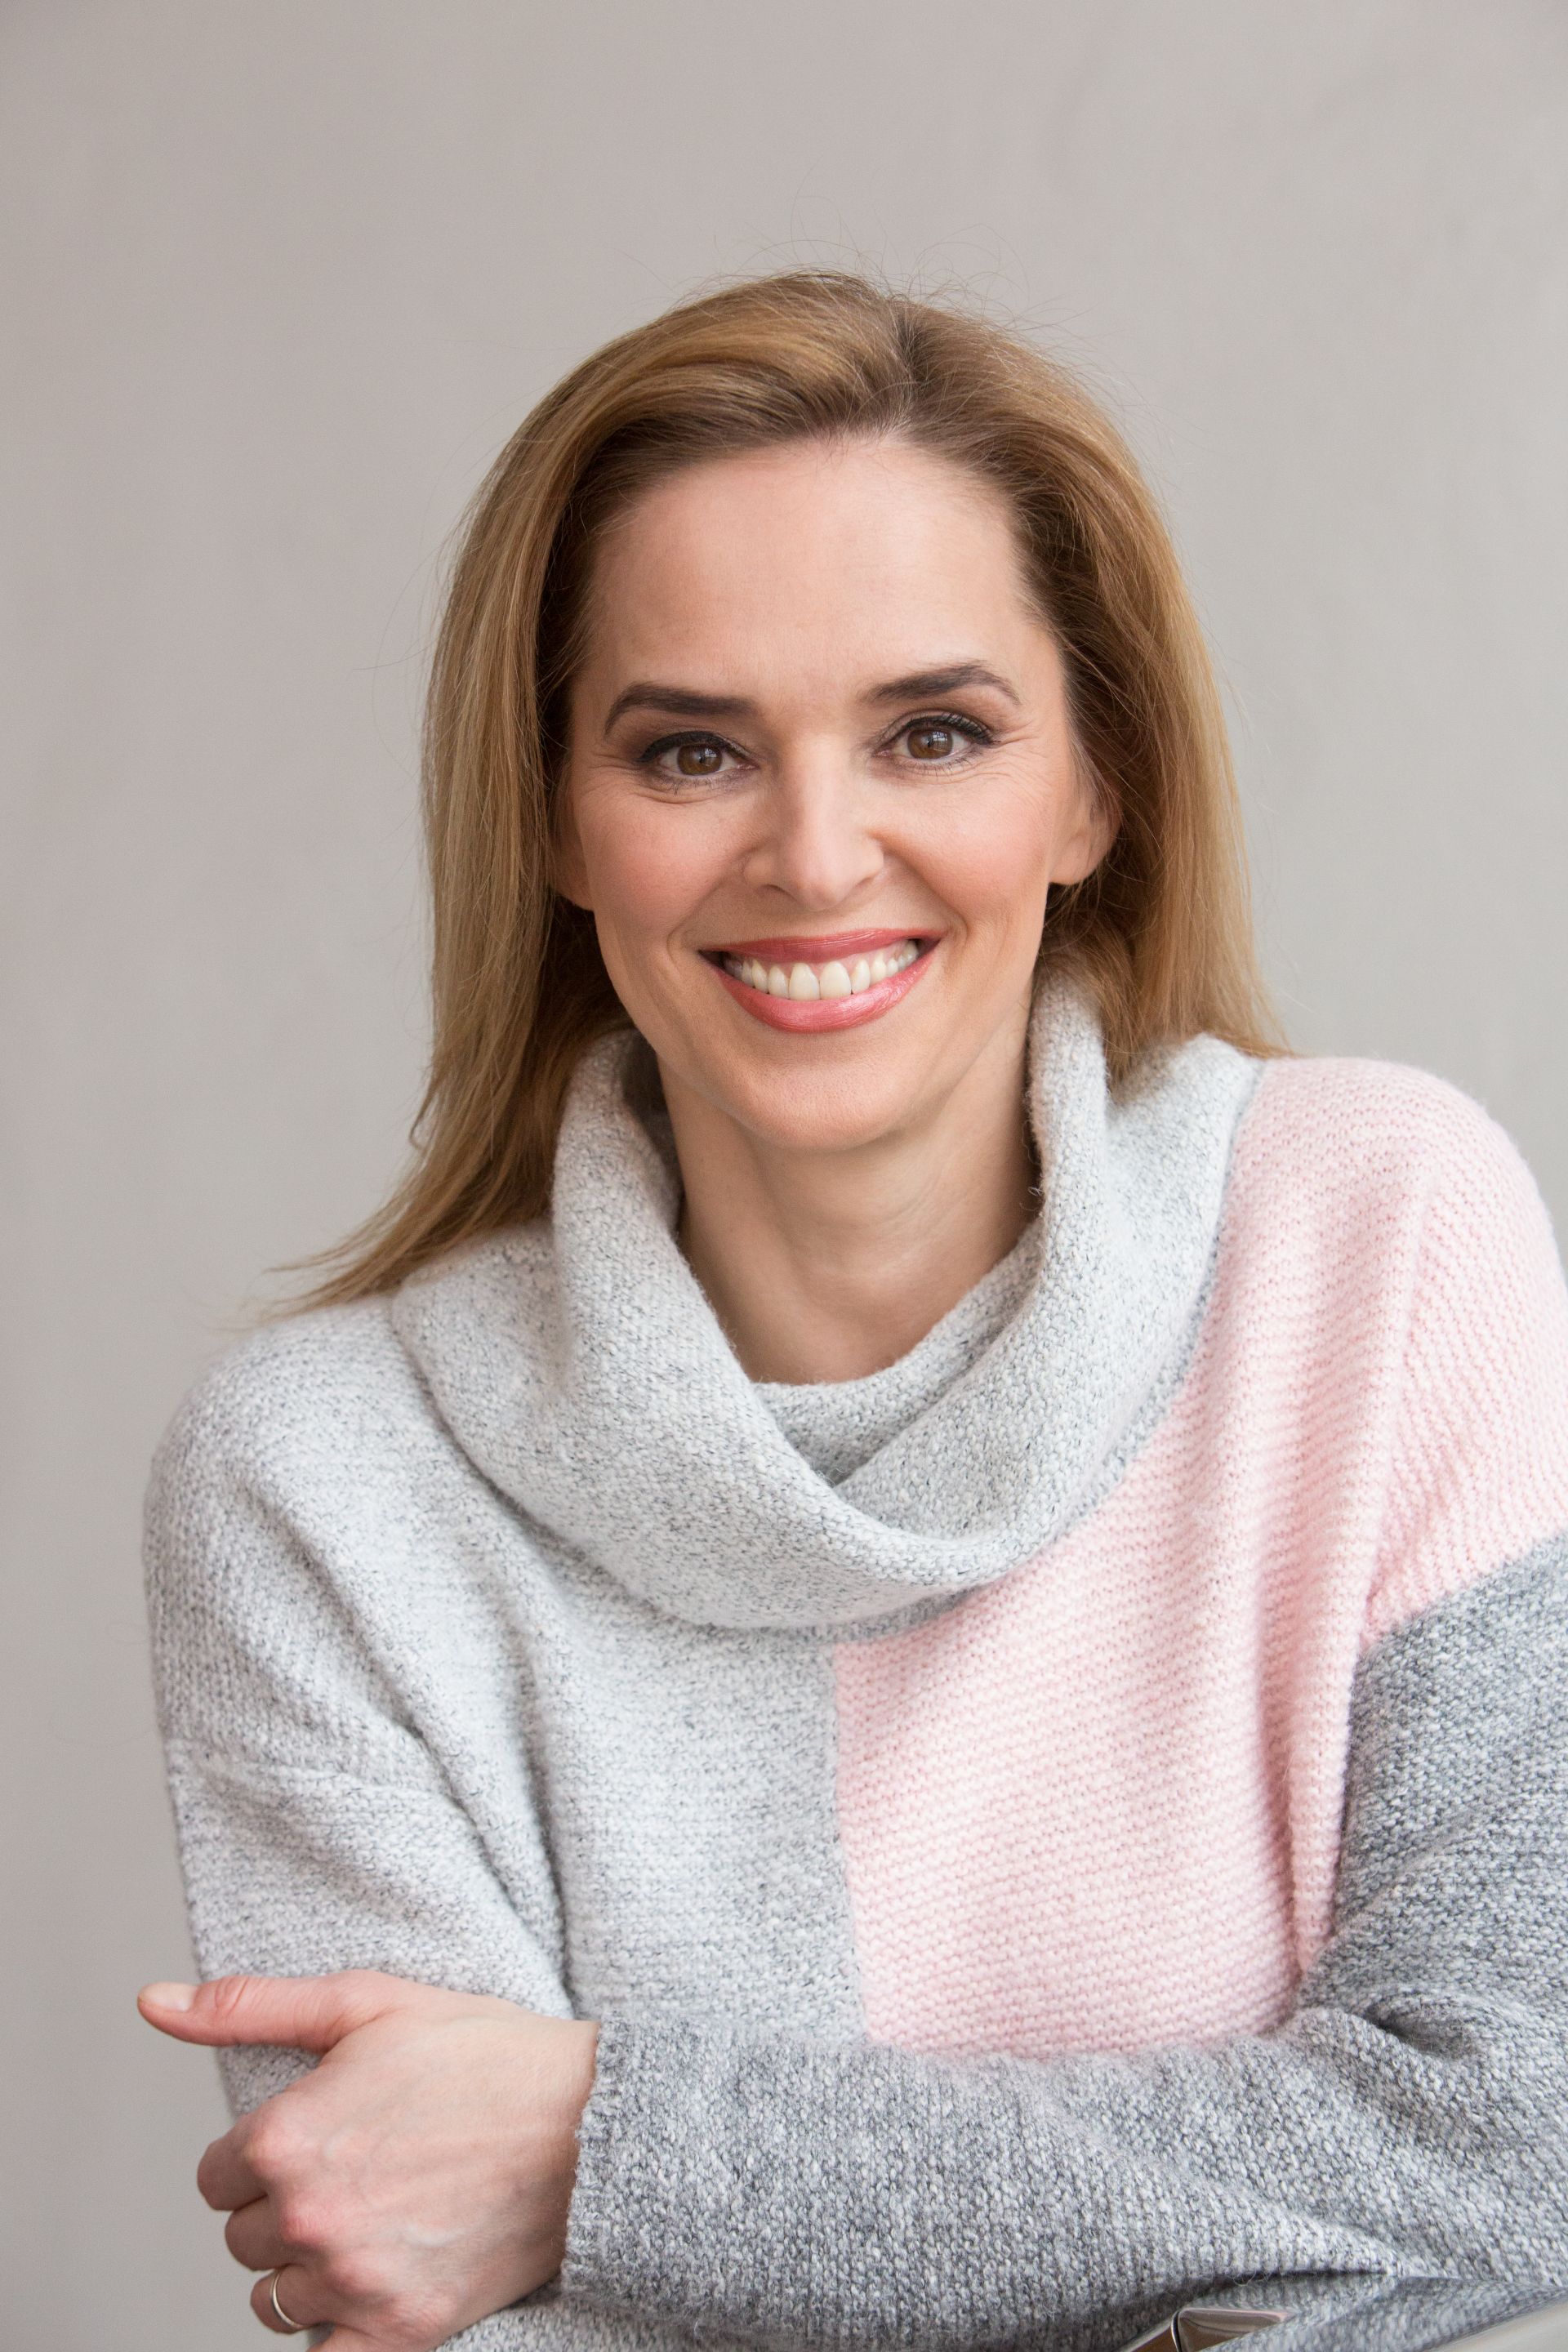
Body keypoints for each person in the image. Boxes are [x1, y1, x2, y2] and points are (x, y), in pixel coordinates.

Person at [138, 271, 1568, 2352]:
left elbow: (1523, 2136)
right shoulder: (321, 1488)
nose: (817, 857)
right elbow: (423, 2274)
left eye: (935, 733)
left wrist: (604, 2156)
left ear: (1094, 789)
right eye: (692, 749)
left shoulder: (1378, 1242)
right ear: (555, 820)